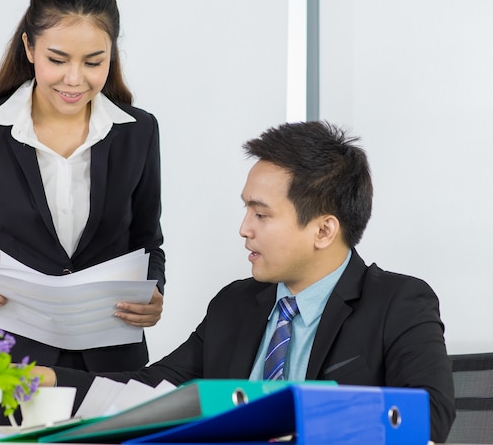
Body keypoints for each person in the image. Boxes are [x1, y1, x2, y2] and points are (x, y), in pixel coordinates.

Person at [32, 121, 456, 443]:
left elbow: (430, 416)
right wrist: (48, 378)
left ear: (324, 231)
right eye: (246, 210)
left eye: (262, 214)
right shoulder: (235, 304)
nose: (244, 228)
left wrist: (294, 416)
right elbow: (157, 388)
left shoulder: (398, 302)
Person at [0, 0, 165, 375]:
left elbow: (147, 242)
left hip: (112, 362)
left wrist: (153, 290)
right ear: (29, 47)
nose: (75, 79)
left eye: (94, 62)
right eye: (57, 60)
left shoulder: (138, 131)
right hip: (12, 362)